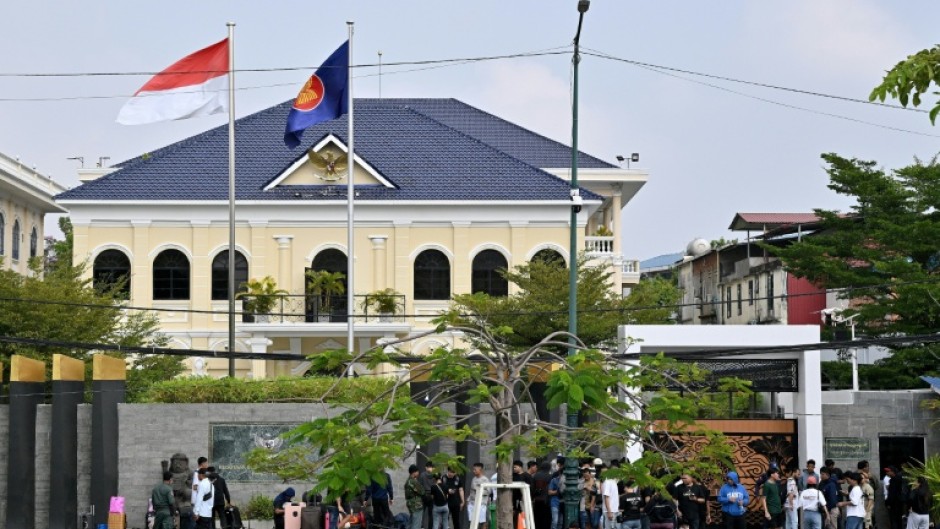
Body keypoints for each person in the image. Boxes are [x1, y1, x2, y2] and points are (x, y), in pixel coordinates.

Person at [468, 462, 491, 529]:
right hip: (472, 503)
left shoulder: (485, 479)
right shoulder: (473, 479)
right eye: (473, 469)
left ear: (480, 469)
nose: (473, 471)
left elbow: (488, 491)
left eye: (475, 469)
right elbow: (471, 491)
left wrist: (480, 490)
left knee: (482, 521)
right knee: (472, 521)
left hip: (481, 503)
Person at [534, 462, 553, 529]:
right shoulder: (550, 476)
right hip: (546, 499)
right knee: (546, 518)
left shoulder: (536, 475)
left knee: (537, 516)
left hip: (537, 499)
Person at [407, 464, 427, 529]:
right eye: (417, 472)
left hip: (411, 504)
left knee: (411, 524)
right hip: (416, 505)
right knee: (416, 525)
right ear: (414, 472)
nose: (418, 473)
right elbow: (422, 491)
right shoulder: (413, 482)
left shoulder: (408, 481)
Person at [191, 457, 209, 529]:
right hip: (197, 501)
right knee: (198, 521)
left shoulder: (202, 472)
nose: (207, 464)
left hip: (201, 500)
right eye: (206, 463)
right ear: (202, 464)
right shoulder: (197, 473)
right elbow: (195, 487)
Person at [600, 464, 620, 529]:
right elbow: (606, 497)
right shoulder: (607, 482)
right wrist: (609, 511)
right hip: (609, 512)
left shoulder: (614, 482)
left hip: (615, 511)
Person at [421, 462, 438, 529]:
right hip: (432, 496)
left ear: (426, 467)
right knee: (431, 515)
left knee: (422, 513)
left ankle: (421, 527)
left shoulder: (422, 475)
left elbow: (420, 486)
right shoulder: (435, 475)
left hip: (424, 495)